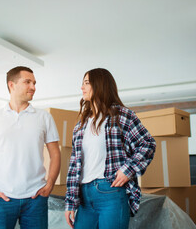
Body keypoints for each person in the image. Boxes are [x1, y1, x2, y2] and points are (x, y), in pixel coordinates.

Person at [64, 68, 156, 229]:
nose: (82, 87)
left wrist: (128, 170)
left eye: (86, 83)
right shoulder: (81, 124)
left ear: (100, 85)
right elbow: (74, 165)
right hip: (84, 196)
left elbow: (147, 144)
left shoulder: (122, 115)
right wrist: (70, 201)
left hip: (110, 193)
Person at [0, 66, 61, 229]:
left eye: (34, 83)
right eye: (27, 82)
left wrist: (49, 184)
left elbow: (55, 154)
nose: (33, 87)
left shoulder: (44, 117)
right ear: (12, 85)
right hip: (1, 198)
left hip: (35, 198)